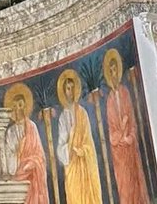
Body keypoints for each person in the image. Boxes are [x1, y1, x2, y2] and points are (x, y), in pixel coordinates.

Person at [104, 51, 149, 204]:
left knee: (135, 181)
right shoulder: (109, 100)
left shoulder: (125, 93)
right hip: (119, 152)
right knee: (124, 185)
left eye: (114, 69)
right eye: (110, 71)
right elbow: (111, 130)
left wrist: (130, 136)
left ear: (119, 70)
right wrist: (120, 136)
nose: (113, 73)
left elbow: (133, 120)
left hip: (130, 147)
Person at [56, 70, 103, 204]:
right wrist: (69, 149)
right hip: (72, 164)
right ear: (64, 92)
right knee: (74, 195)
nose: (70, 92)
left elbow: (88, 140)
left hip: (85, 163)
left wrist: (83, 150)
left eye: (72, 88)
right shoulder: (62, 117)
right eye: (67, 89)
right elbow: (61, 144)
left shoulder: (82, 113)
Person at [3, 84, 48, 204]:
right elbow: (7, 156)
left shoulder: (32, 127)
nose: (18, 109)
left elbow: (40, 156)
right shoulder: (10, 132)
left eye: (20, 105)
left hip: (33, 175)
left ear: (25, 106)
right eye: (14, 106)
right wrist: (18, 151)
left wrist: (32, 163)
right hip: (17, 175)